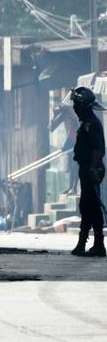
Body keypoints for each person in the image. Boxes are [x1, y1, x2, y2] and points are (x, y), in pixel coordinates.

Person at [68, 87, 106, 257]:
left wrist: (92, 168)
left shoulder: (91, 123)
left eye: (76, 105)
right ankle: (83, 244)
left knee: (92, 207)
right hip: (87, 168)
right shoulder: (86, 122)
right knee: (87, 207)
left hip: (92, 168)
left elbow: (97, 149)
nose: (74, 108)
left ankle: (97, 245)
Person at [50, 104, 80, 195]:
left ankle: (74, 188)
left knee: (75, 166)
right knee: (71, 166)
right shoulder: (65, 116)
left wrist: (65, 146)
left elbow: (73, 133)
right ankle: (71, 187)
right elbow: (52, 127)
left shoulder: (71, 114)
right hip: (72, 145)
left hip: (78, 145)